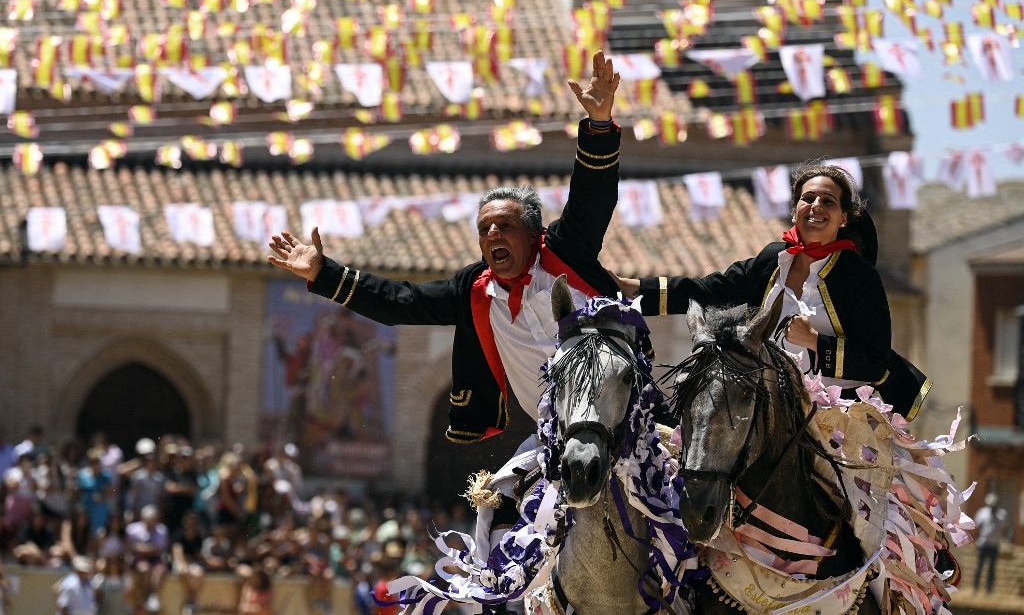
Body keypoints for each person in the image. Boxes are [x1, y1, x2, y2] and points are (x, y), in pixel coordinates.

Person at [268, 52, 623, 565]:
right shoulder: (474, 290)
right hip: (556, 439)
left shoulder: (567, 252)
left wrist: (598, 123)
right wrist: (323, 274)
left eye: (505, 226)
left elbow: (593, 196)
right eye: (484, 229)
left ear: (535, 234)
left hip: (623, 420)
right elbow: (399, 304)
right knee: (498, 543)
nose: (493, 235)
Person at [614, 162, 930, 419]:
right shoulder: (773, 259)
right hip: (767, 409)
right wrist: (637, 289)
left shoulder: (859, 277)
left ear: (843, 218)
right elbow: (713, 290)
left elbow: (875, 360)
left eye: (828, 201)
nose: (816, 205)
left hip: (840, 416)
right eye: (808, 198)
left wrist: (815, 342)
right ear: (795, 210)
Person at [973, 492, 1009, 593]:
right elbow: (977, 527)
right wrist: (975, 541)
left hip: (994, 544)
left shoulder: (1002, 514)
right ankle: (975, 587)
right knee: (980, 566)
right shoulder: (982, 512)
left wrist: (1004, 540)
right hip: (983, 543)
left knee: (991, 568)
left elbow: (1004, 529)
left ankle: (989, 589)